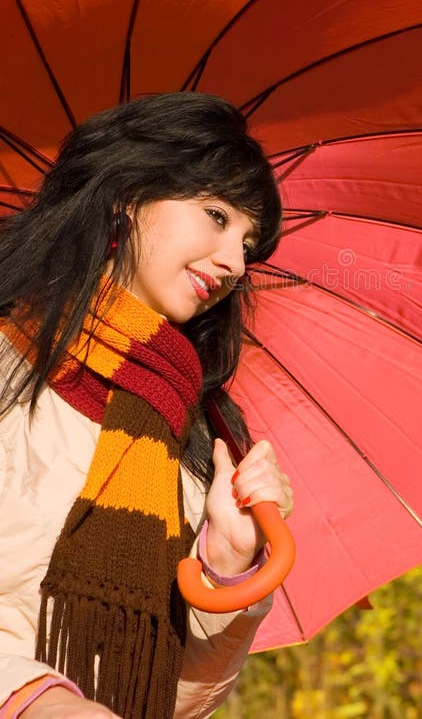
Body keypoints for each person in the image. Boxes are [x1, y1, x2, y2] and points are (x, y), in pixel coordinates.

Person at [0, 92, 293, 719]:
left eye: (249, 243)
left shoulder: (194, 437)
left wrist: (226, 566)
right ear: (127, 197)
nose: (235, 263)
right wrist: (35, 701)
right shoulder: (9, 367)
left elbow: (170, 699)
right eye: (216, 215)